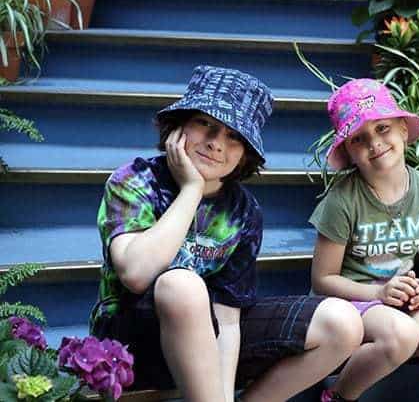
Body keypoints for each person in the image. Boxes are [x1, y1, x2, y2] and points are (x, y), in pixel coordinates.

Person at [89, 66, 364, 402]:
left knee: (343, 322)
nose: (216, 143)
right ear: (179, 126)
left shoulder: (244, 211)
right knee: (183, 285)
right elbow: (135, 273)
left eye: (234, 136)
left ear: (245, 153)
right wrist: (191, 190)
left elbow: (228, 319)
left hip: (205, 339)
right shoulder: (136, 180)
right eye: (206, 124)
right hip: (129, 344)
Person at [309, 78, 419, 402]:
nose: (375, 143)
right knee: (401, 336)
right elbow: (322, 279)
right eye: (359, 138)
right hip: (355, 299)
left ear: (403, 129)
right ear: (348, 151)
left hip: (404, 296)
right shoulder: (342, 201)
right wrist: (378, 292)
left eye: (383, 128)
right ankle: (340, 396)